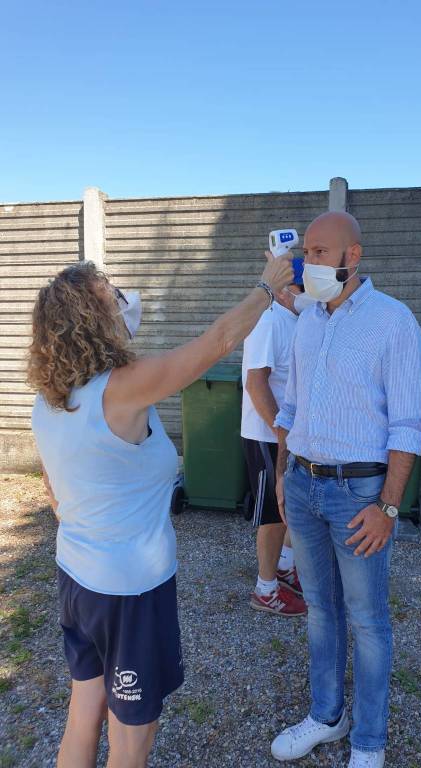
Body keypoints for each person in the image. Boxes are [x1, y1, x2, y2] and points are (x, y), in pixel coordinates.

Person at [28, 253, 293, 768]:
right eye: (114, 299)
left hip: (77, 578)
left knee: (84, 710)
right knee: (133, 735)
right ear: (93, 320)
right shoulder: (122, 389)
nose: (125, 303)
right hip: (128, 592)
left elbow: (54, 491)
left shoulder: (49, 397)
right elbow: (216, 343)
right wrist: (268, 287)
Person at [271, 212, 421, 768]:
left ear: (352, 256)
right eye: (305, 253)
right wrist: (283, 474)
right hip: (304, 483)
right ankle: (326, 716)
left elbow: (409, 424)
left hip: (359, 493)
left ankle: (368, 741)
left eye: (318, 252)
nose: (307, 263)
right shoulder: (308, 320)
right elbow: (291, 407)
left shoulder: (393, 322)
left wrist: (388, 505)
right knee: (319, 609)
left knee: (367, 619)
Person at [241, 258, 313, 617]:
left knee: (290, 509)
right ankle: (265, 589)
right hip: (266, 434)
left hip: (288, 434)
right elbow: (255, 383)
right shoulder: (269, 321)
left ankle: (285, 566)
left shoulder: (297, 320)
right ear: (288, 286)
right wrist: (280, 433)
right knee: (272, 514)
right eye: (306, 287)